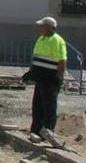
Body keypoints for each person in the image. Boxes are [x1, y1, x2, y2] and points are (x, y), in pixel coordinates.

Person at [25, 16, 67, 144]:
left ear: (50, 27)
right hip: (40, 77)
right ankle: (36, 130)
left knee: (49, 105)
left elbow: (62, 60)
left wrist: (58, 78)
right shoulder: (41, 39)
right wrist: (31, 72)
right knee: (37, 104)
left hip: (50, 78)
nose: (40, 28)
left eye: (43, 26)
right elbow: (36, 57)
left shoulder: (57, 41)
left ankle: (48, 130)